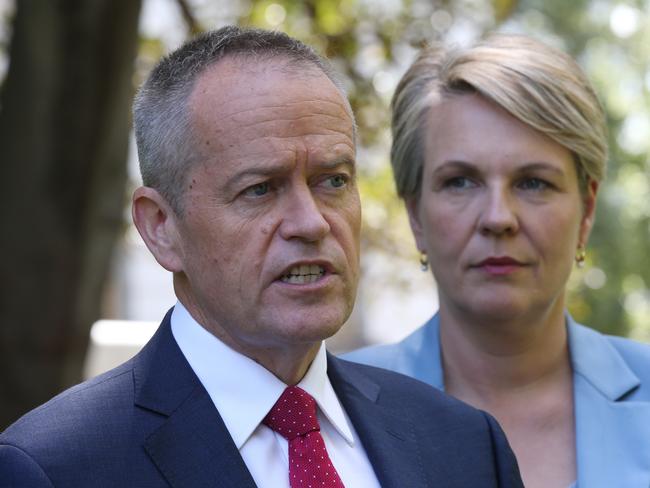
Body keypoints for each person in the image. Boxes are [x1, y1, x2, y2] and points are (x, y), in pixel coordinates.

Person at [0, 27, 523, 487]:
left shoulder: (464, 444)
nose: (311, 222)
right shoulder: (55, 467)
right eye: (260, 189)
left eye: (333, 181)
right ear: (161, 227)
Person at [344, 33, 650, 488]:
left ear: (586, 211)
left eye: (533, 183)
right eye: (461, 182)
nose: (498, 218)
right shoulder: (335, 411)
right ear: (415, 213)